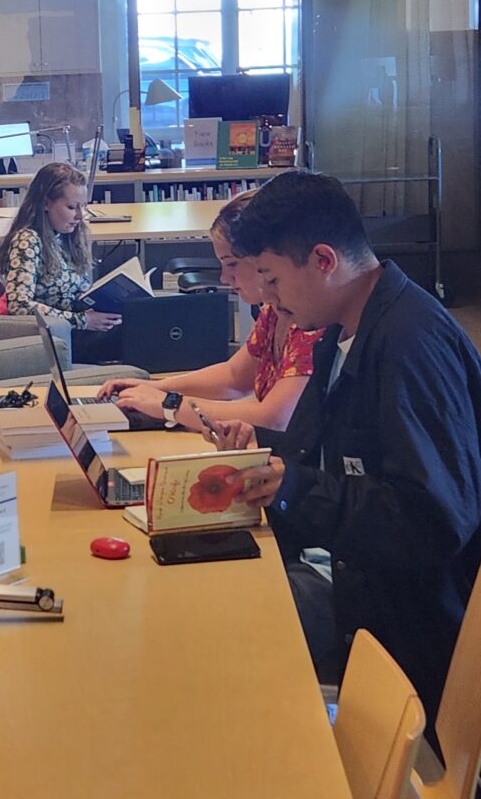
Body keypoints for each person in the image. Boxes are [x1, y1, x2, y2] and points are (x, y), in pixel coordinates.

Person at [206, 170, 481, 734]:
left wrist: (295, 487)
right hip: (358, 583)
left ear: (325, 260)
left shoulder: (409, 345)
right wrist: (259, 457)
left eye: (273, 278)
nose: (271, 298)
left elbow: (432, 522)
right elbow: (311, 455)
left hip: (408, 626)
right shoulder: (340, 327)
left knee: (217, 630)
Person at [97, 190, 323, 431]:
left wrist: (169, 405)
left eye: (232, 264)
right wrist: (157, 388)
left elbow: (275, 418)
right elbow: (234, 377)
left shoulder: (309, 319)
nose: (225, 278)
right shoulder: (274, 312)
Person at [0, 162, 122, 363]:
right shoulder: (28, 240)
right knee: (136, 335)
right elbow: (18, 305)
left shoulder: (66, 237)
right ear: (45, 203)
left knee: (141, 320)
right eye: (71, 207)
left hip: (77, 328)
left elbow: (70, 293)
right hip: (56, 336)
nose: (80, 216)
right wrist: (83, 320)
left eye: (83, 207)